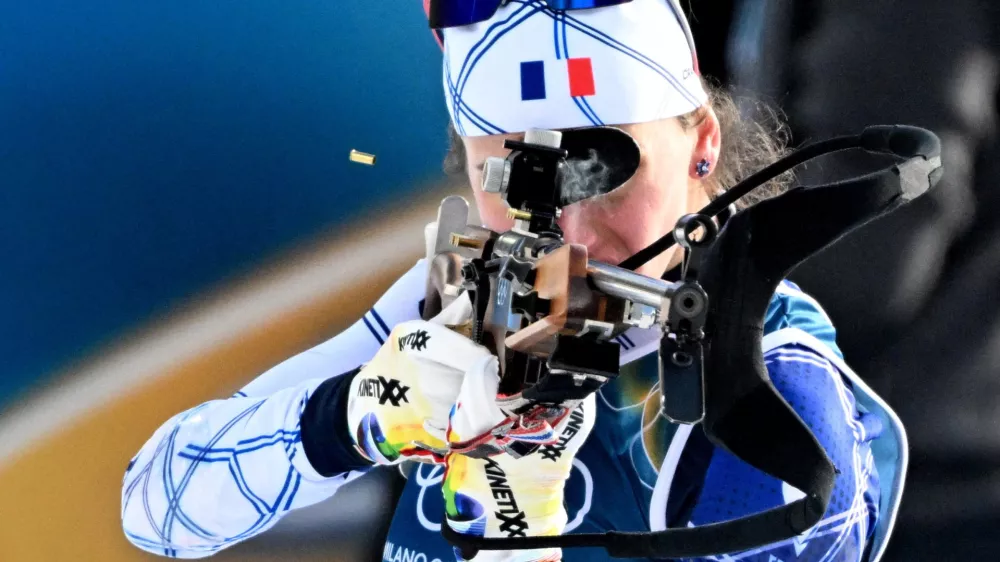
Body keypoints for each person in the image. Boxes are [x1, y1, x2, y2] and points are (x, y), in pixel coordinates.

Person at [121, 1, 904, 560]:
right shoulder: (465, 298)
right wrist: (346, 420)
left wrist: (519, 539)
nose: (566, 231)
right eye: (514, 178)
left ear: (702, 144)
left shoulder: (772, 408)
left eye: (605, 169)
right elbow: (155, 510)